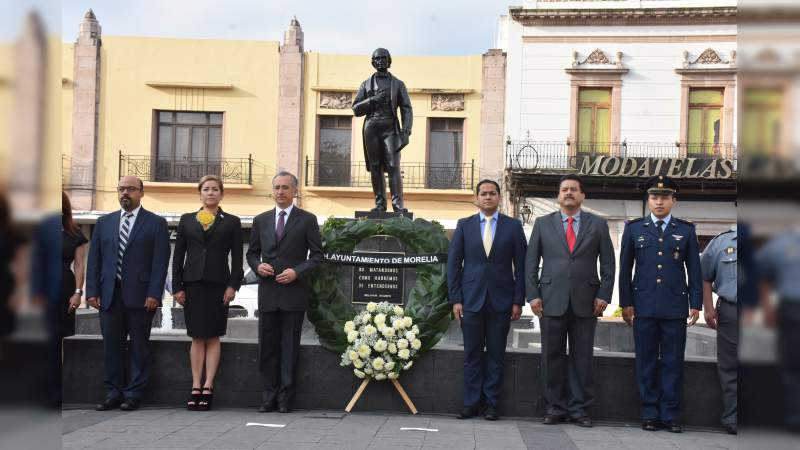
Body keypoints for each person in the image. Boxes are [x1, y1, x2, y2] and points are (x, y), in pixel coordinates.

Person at [525, 174, 615, 428]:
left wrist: (604, 295)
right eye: (564, 189)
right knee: (550, 356)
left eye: (574, 190)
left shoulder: (597, 224)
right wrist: (533, 294)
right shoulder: (543, 224)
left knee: (582, 358)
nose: (569, 193)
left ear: (582, 196)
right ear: (558, 195)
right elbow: (530, 263)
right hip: (550, 300)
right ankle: (554, 407)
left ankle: (579, 409)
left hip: (587, 301)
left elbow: (608, 264)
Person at [619, 175, 702, 433]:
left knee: (672, 362)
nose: (659, 201)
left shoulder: (686, 230)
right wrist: (626, 303)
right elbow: (625, 270)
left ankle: (670, 415)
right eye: (654, 197)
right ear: (648, 199)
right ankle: (650, 413)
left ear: (674, 201)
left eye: (665, 197)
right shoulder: (634, 229)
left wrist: (696, 303)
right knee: (646, 362)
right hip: (643, 306)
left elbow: (695, 271)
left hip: (675, 307)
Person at [86, 175, 170, 412]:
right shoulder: (104, 223)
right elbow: (95, 260)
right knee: (111, 346)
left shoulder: (155, 223)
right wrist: (92, 291)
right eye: (121, 188)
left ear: (141, 193)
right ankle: (113, 392)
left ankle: (133, 393)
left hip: (142, 297)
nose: (125, 193)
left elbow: (160, 263)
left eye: (131, 189)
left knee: (139, 346)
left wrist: (155, 293)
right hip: (109, 295)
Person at [447, 179, 527, 421]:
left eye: (492, 193)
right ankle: (471, 403)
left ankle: (491, 404)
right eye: (483, 194)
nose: (488, 197)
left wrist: (518, 301)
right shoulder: (464, 225)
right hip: (470, 301)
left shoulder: (513, 227)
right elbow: (453, 265)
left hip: (501, 301)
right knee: (472, 355)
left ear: (499, 197)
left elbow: (521, 267)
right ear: (477, 198)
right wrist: (456, 299)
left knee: (495, 355)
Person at [247, 171, 323, 413]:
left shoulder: (307, 220)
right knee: (267, 347)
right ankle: (268, 396)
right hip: (268, 293)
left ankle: (284, 398)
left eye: (285, 188)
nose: (280, 192)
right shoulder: (261, 220)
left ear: (295, 191)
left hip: (293, 294)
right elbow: (252, 253)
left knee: (289, 348)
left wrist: (297, 272)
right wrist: (257, 266)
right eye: (277, 187)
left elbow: (318, 256)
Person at [172, 175, 243, 411]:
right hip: (192, 285)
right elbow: (178, 256)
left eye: (215, 189)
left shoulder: (231, 222)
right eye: (206, 189)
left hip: (218, 285)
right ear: (199, 194)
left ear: (222, 194)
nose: (210, 193)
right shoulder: (186, 220)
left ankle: (209, 385)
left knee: (213, 336)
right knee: (196, 336)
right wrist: (177, 286)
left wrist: (233, 286)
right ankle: (195, 385)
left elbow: (238, 259)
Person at [352, 48, 413, 213]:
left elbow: (406, 108)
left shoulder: (398, 84)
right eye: (377, 58)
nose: (380, 61)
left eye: (384, 58)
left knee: (393, 165)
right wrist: (372, 100)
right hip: (371, 126)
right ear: (373, 62)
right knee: (375, 165)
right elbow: (356, 109)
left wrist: (406, 131)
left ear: (389, 60)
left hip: (390, 127)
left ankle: (397, 204)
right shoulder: (365, 84)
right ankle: (380, 203)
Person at [701, 225, 738, 435]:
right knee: (730, 367)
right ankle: (733, 418)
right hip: (732, 310)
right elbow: (706, 275)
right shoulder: (722, 242)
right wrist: (708, 307)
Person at [62, 191, 89, 338]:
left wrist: (78, 293)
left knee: (62, 332)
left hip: (64, 286)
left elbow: (79, 265)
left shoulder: (75, 233)